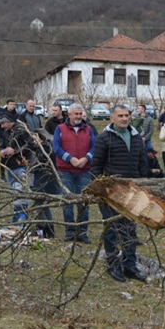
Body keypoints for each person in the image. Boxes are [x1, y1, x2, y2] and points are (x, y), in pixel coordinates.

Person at [90, 105, 149, 283]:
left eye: (127, 115)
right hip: (112, 193)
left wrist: (144, 186)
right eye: (120, 115)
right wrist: (100, 190)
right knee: (112, 230)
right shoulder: (104, 138)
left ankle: (130, 265)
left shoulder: (136, 137)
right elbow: (96, 166)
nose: (124, 118)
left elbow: (142, 162)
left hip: (133, 191)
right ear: (112, 118)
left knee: (130, 230)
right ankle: (113, 264)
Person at [53, 103, 95, 243]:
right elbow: (56, 147)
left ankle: (82, 232)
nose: (78, 116)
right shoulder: (60, 129)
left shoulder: (88, 129)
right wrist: (70, 159)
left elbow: (94, 147)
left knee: (84, 203)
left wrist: (86, 158)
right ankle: (70, 232)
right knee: (68, 202)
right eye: (75, 114)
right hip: (66, 171)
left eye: (80, 113)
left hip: (84, 171)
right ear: (69, 114)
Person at [0, 114, 33, 224]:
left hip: (21, 165)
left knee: (21, 193)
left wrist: (15, 151)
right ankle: (16, 218)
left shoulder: (22, 130)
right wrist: (2, 151)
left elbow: (31, 145)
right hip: (10, 166)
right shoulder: (6, 132)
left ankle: (22, 218)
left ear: (9, 121)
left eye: (3, 123)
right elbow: (3, 144)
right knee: (15, 194)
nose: (2, 126)